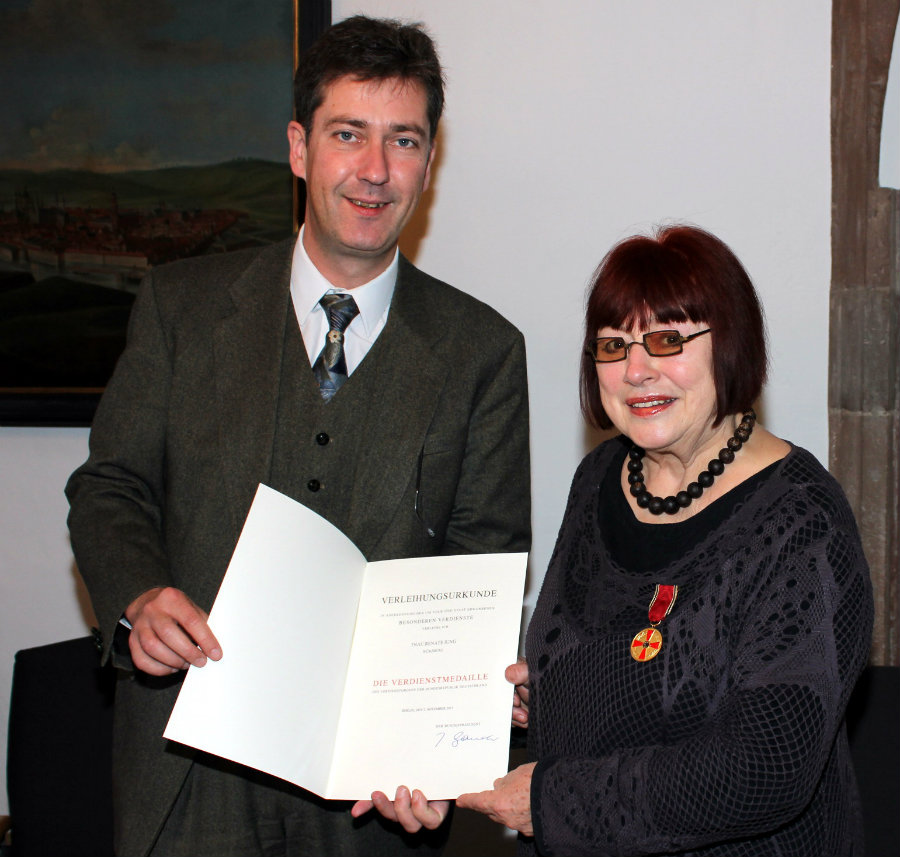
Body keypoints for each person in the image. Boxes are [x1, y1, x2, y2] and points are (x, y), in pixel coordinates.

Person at [65, 15, 530, 857]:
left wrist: (438, 743)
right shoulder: (181, 308)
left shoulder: (484, 352)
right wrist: (137, 595)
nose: (375, 171)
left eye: (404, 141)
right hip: (185, 774)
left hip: (374, 806)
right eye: (348, 134)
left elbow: (481, 563)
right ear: (298, 147)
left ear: (429, 161)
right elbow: (110, 486)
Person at [366, 225, 873, 855]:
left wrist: (551, 801)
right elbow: (628, 661)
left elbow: (763, 770)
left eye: (667, 340)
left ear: (732, 343)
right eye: (613, 345)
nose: (636, 370)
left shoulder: (802, 522)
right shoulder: (603, 476)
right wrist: (542, 693)